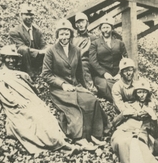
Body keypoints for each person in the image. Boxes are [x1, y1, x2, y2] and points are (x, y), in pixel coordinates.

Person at [0, 44, 78, 155]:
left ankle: (61, 141)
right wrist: (17, 102)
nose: (11, 60)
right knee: (33, 118)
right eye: (8, 57)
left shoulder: (19, 74)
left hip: (30, 100)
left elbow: (31, 89)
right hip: (17, 105)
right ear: (3, 58)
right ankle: (61, 145)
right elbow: (4, 93)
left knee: (45, 114)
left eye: (13, 58)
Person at [41, 19, 109, 151]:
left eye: (67, 34)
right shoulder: (51, 51)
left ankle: (95, 134)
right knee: (75, 105)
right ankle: (80, 138)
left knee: (92, 100)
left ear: (71, 35)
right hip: (59, 90)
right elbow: (46, 74)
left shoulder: (76, 50)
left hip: (74, 85)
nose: (64, 37)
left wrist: (85, 88)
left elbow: (80, 73)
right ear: (57, 35)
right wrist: (62, 84)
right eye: (61, 34)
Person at [88, 15, 127, 102]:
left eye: (108, 27)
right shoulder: (95, 43)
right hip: (101, 75)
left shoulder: (119, 43)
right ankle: (118, 102)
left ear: (112, 29)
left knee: (123, 86)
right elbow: (93, 61)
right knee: (104, 86)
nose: (106, 30)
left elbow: (125, 60)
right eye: (103, 27)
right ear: (100, 29)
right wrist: (104, 73)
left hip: (117, 74)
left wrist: (120, 74)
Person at [9, 3, 47, 76]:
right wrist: (39, 52)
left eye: (31, 15)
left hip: (36, 59)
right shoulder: (15, 31)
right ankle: (29, 75)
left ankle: (45, 72)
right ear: (21, 15)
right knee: (23, 50)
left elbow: (43, 45)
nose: (29, 17)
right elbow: (20, 47)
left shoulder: (37, 30)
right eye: (26, 14)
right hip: (23, 60)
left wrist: (47, 49)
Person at [72, 12, 97, 94]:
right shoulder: (72, 39)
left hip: (88, 63)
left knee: (83, 64)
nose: (81, 25)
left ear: (87, 23)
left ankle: (90, 88)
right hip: (73, 61)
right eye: (78, 23)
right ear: (76, 25)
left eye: (83, 22)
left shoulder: (93, 38)